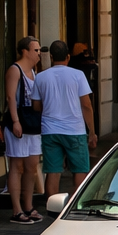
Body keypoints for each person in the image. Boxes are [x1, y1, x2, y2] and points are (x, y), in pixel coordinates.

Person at [34, 41, 96, 200]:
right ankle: (75, 207)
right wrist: (92, 132)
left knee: (53, 171)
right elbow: (86, 105)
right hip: (75, 130)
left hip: (50, 130)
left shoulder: (40, 77)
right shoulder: (77, 75)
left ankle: (53, 207)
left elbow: (35, 106)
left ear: (51, 57)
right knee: (79, 170)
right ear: (68, 57)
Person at [4, 38, 42, 225]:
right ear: (25, 51)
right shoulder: (15, 70)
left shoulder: (34, 72)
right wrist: (15, 121)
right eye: (36, 49)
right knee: (17, 165)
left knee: (31, 166)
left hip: (32, 123)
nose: (39, 53)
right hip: (19, 121)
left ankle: (28, 206)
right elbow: (11, 96)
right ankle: (16, 209)